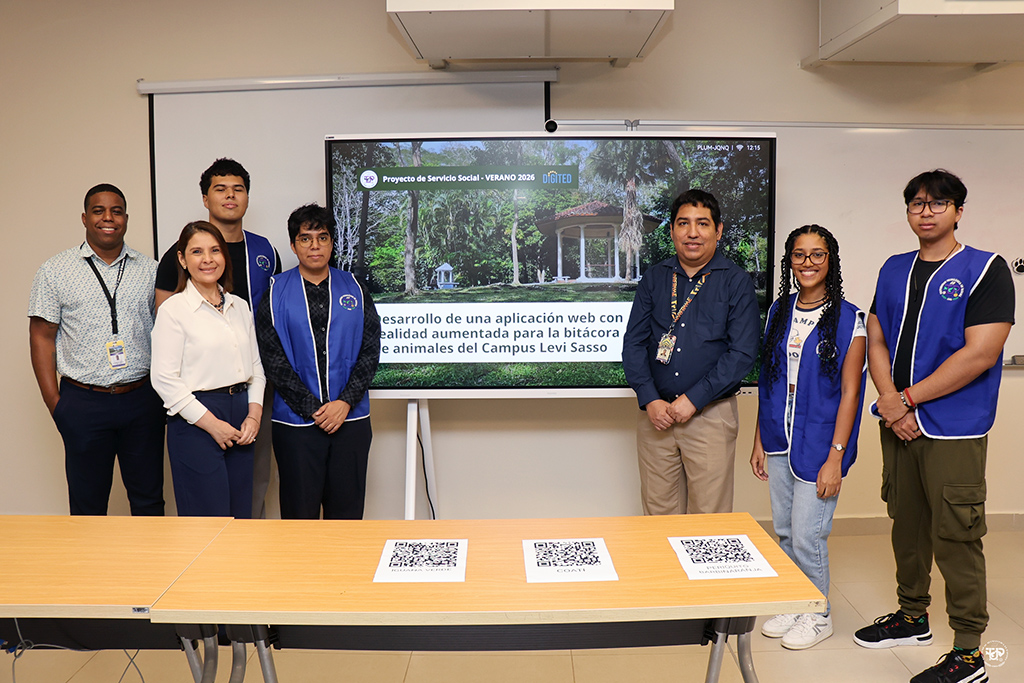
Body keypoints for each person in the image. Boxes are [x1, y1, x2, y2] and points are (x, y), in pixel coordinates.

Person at [854, 169, 1013, 683]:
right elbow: (876, 336)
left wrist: (905, 401)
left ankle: (969, 654)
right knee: (906, 523)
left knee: (955, 535)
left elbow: (980, 353)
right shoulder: (894, 268)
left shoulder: (985, 269)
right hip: (897, 423)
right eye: (917, 203)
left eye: (938, 203)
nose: (926, 211)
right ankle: (912, 616)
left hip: (951, 428)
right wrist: (890, 403)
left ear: (958, 211)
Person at [750, 225, 866, 650]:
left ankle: (818, 615)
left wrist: (836, 457)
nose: (808, 263)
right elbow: (768, 379)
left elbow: (851, 392)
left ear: (830, 260)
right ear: (790, 262)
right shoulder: (779, 311)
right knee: (784, 530)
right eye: (799, 255)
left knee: (807, 534)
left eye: (818, 254)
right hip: (778, 435)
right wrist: (759, 439)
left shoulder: (849, 318)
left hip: (820, 442)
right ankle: (794, 602)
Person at [154, 158, 281, 519]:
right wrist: (211, 422)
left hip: (244, 408)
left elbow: (255, 363)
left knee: (243, 513)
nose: (207, 259)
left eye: (214, 251)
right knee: (206, 521)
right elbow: (164, 377)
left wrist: (253, 414)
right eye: (197, 252)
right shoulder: (175, 309)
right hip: (198, 413)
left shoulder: (240, 303)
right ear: (183, 259)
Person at [28, 184, 165, 516]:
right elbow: (41, 337)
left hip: (141, 399)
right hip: (83, 402)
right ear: (84, 218)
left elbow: (167, 332)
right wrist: (56, 405)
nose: (108, 218)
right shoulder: (55, 270)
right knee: (87, 507)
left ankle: (151, 555)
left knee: (149, 501)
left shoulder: (150, 270)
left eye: (116, 211)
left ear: (126, 218)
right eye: (99, 211)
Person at [622, 188, 760, 515]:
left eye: (703, 223)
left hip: (710, 415)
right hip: (656, 417)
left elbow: (742, 353)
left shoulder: (736, 282)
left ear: (718, 230)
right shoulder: (655, 278)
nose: (692, 233)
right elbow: (634, 344)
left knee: (708, 520)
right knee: (658, 515)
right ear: (672, 230)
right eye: (683, 223)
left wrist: (694, 399)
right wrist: (649, 398)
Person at [256, 204, 380, 519]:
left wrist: (344, 402)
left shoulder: (355, 288)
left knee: (347, 517)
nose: (315, 246)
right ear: (293, 244)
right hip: (296, 426)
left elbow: (370, 350)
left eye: (322, 238)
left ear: (332, 243)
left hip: (350, 421)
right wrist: (313, 408)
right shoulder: (274, 292)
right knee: (299, 518)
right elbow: (273, 359)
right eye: (306, 238)